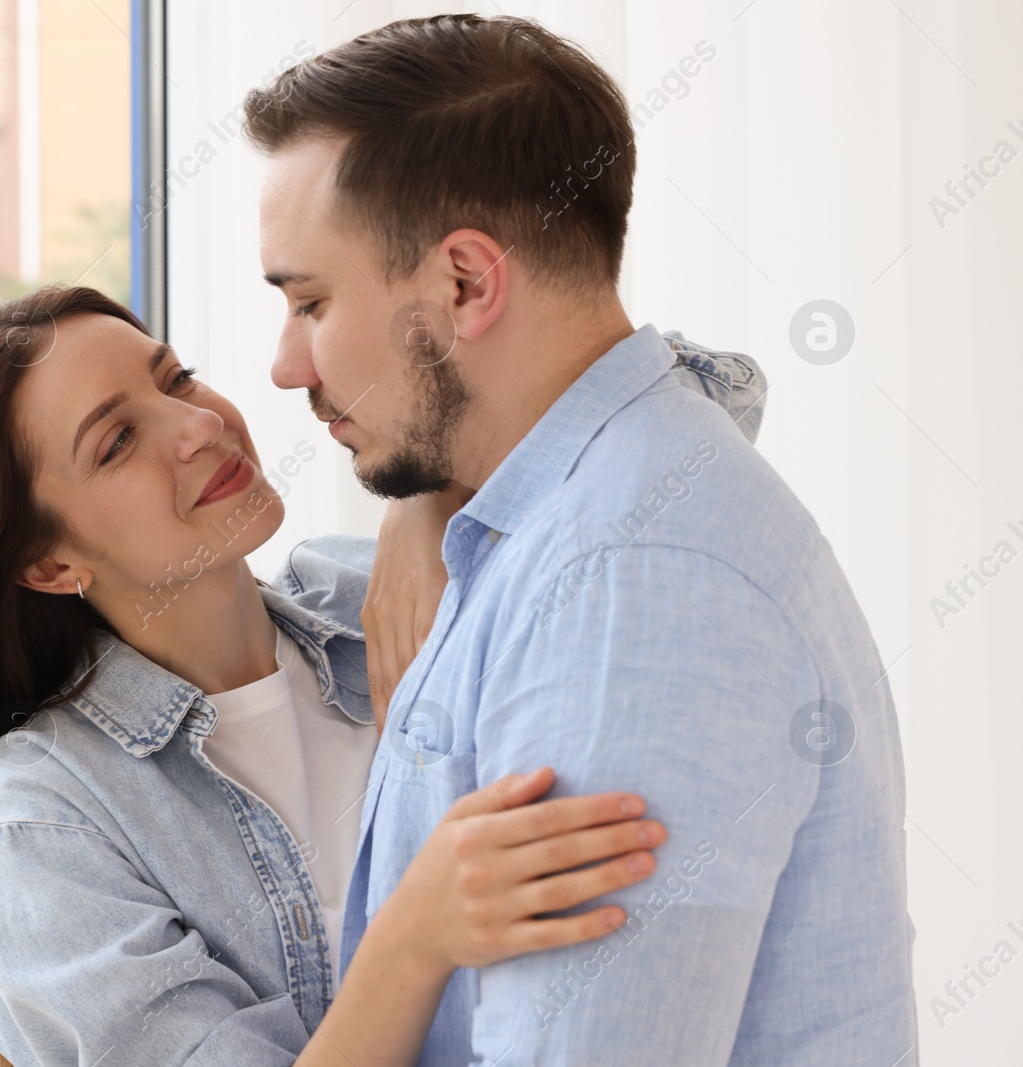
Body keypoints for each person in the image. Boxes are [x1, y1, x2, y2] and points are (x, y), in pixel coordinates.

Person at [243, 13, 917, 1065]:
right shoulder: (574, 517)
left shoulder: (627, 583)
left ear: (465, 282)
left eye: (311, 301)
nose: (286, 365)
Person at [0, 284, 766, 1066]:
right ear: (47, 563)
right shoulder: (43, 816)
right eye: (119, 440)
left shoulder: (381, 595)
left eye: (177, 379)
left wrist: (435, 499)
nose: (198, 424)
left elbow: (708, 398)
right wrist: (417, 934)